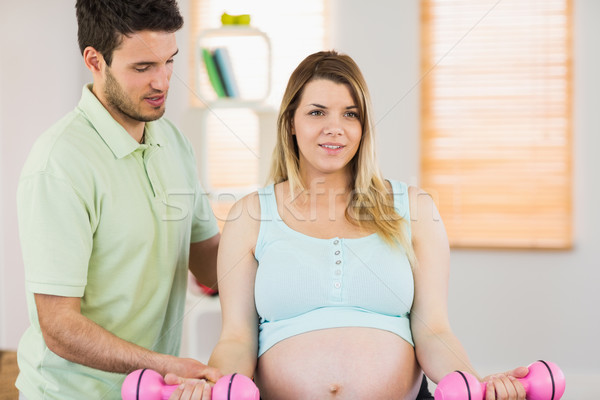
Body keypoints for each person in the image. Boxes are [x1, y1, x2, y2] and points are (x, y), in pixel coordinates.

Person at [203, 51, 529, 399]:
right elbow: (236, 339)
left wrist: (475, 385)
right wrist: (210, 386)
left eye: (350, 114)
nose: (335, 128)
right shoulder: (249, 216)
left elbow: (434, 331)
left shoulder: (415, 209)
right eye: (317, 112)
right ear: (290, 124)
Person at [15, 1, 221, 399]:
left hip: (153, 390)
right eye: (143, 68)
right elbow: (59, 326)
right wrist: (165, 365)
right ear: (95, 61)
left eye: (169, 62)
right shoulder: (60, 163)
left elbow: (209, 261)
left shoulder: (173, 142)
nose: (162, 82)